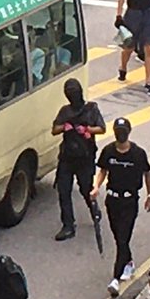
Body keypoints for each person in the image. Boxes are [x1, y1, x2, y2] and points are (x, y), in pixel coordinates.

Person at [92, 117, 150, 297]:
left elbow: (147, 174)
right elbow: (103, 170)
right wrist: (96, 187)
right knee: (118, 235)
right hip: (112, 200)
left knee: (122, 238)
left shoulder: (138, 154)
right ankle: (129, 262)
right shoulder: (109, 151)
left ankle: (115, 279)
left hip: (129, 200)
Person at [51, 78, 106, 242]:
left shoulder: (91, 109)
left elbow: (102, 128)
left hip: (85, 157)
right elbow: (54, 129)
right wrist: (64, 127)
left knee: (85, 188)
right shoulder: (65, 111)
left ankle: (94, 211)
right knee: (64, 191)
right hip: (67, 157)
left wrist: (88, 130)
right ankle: (68, 225)